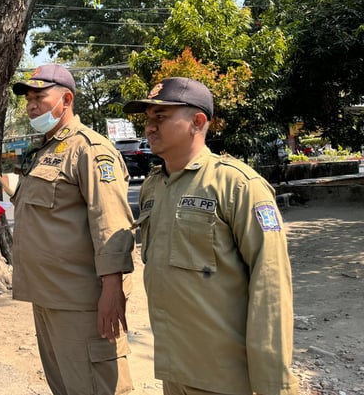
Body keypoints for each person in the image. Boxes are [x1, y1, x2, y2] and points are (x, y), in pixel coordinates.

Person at [123, 77, 299, 395]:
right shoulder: (153, 186)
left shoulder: (238, 186)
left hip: (223, 375)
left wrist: (275, 386)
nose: (149, 127)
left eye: (160, 117)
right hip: (174, 367)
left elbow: (270, 287)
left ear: (198, 121)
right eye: (148, 118)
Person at [11, 64, 135, 395]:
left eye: (40, 97)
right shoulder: (44, 150)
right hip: (49, 296)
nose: (32, 105)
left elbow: (110, 222)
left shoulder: (89, 149)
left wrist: (112, 290)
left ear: (66, 99)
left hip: (81, 301)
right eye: (28, 99)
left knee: (94, 387)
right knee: (65, 387)